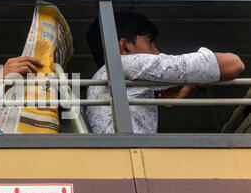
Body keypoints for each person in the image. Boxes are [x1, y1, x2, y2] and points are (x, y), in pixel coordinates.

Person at [85, 12, 245, 134]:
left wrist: (189, 86)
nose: (157, 52)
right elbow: (233, 64)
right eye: (150, 43)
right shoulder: (125, 63)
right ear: (125, 47)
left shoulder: (99, 81)